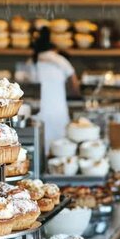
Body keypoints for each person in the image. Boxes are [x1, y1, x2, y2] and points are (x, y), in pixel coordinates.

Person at [30, 26, 80, 154]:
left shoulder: (31, 62)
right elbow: (74, 84)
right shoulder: (60, 60)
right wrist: (74, 94)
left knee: (40, 149)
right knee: (60, 149)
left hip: (38, 113)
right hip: (58, 112)